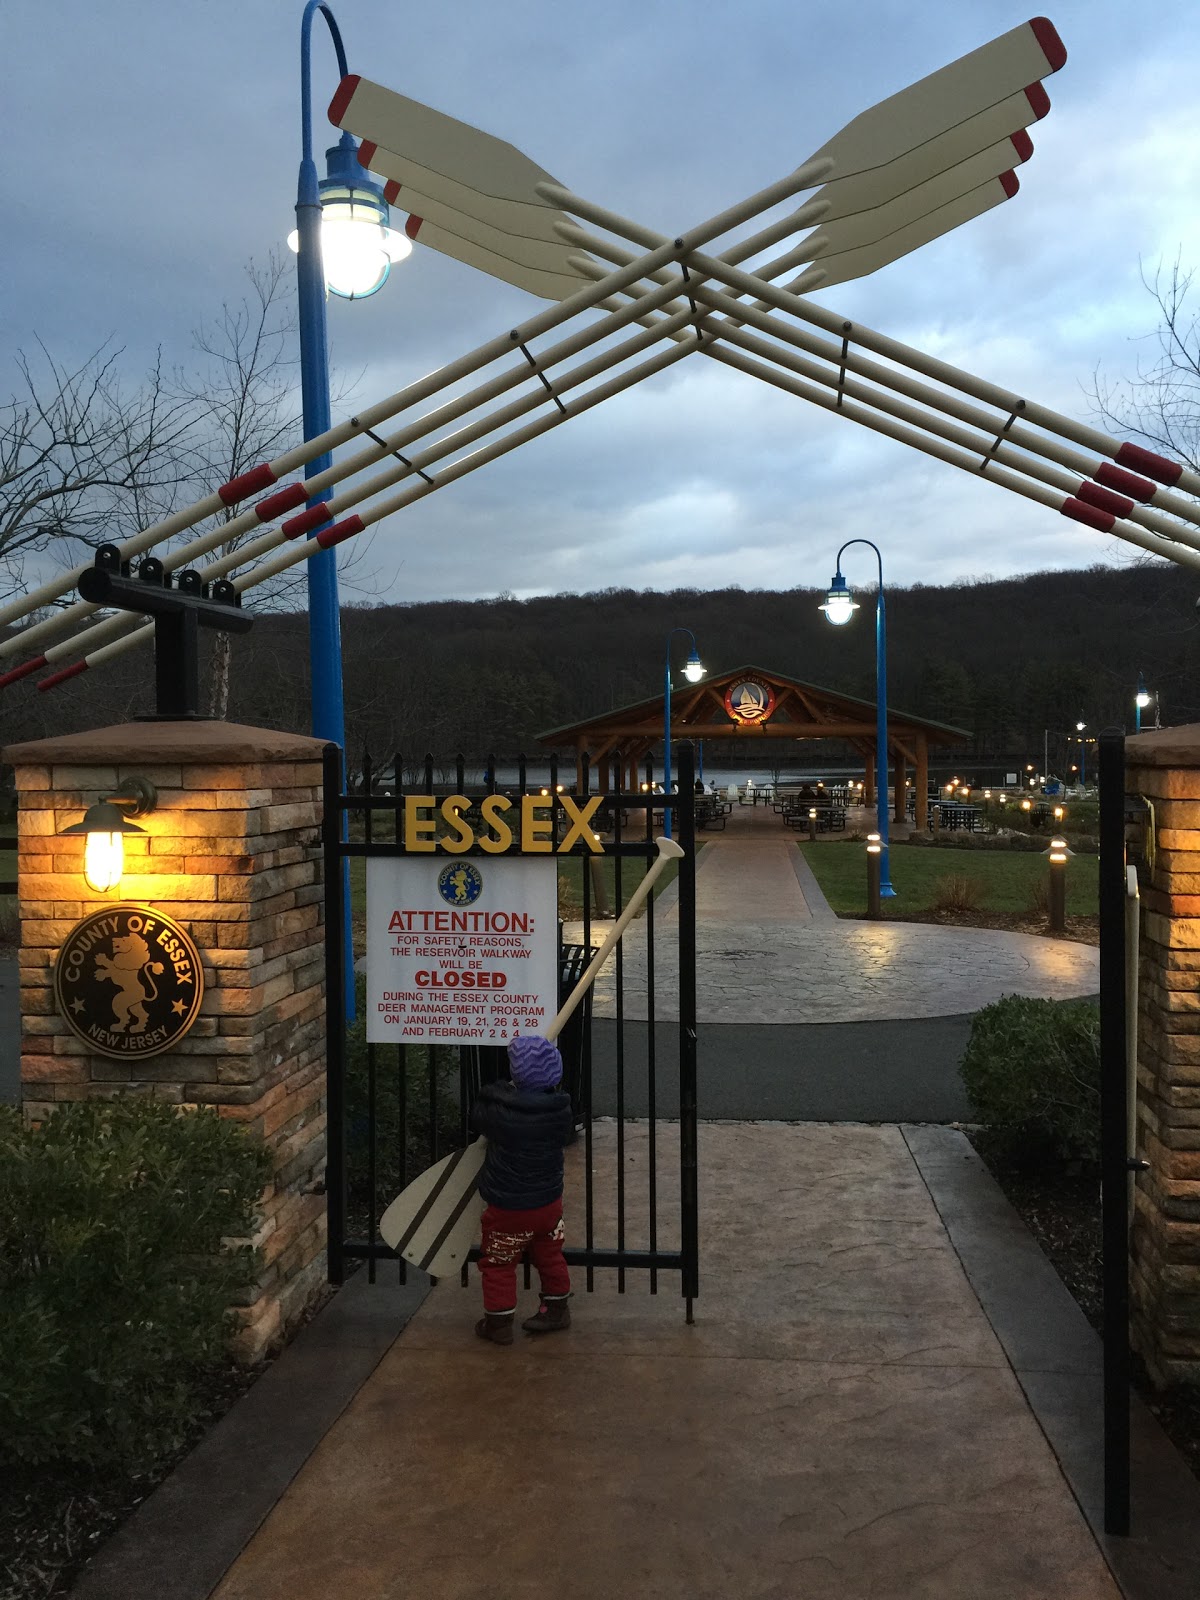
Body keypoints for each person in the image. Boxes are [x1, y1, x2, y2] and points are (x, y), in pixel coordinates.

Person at [469, 1033, 575, 1344]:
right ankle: (557, 1309)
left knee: (499, 1262)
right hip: (548, 1204)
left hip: (509, 1208)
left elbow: (479, 1115)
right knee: (550, 1254)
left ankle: (499, 1324)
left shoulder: (502, 1112)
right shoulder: (560, 1111)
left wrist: (497, 1090)